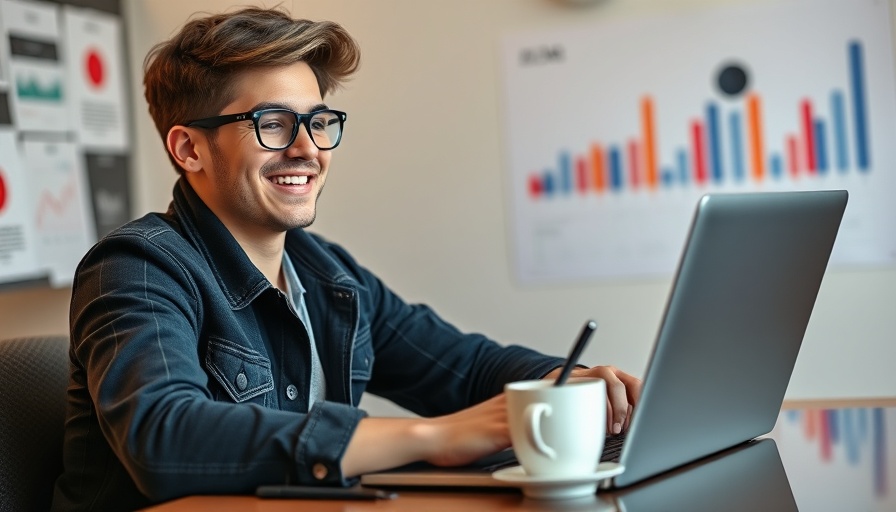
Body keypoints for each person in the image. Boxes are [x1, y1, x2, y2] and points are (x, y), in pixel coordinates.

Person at [51, 7, 641, 511]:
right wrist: (431, 437)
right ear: (189, 148)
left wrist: (563, 382)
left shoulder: (326, 273)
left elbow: (465, 367)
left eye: (318, 121)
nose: (308, 149)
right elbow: (164, 438)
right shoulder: (137, 266)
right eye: (274, 124)